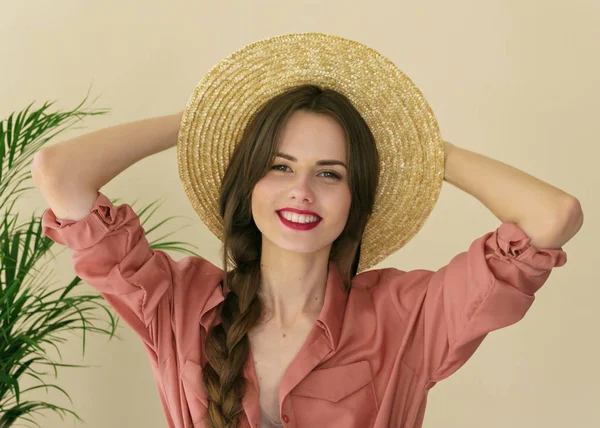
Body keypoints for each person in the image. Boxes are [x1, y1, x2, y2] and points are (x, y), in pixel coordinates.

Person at [33, 33, 580, 428]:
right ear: (250, 184)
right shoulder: (175, 302)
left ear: (353, 202)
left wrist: (425, 149)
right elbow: (60, 174)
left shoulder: (409, 316)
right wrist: (206, 118)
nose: (302, 190)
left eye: (330, 173)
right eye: (278, 165)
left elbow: (552, 215)